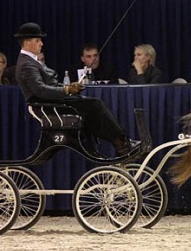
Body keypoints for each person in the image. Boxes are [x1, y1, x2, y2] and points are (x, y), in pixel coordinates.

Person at [13, 22, 142, 156]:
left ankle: (120, 141)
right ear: (27, 43)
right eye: (38, 40)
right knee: (95, 104)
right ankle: (121, 143)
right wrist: (67, 90)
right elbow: (40, 90)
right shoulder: (27, 64)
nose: (41, 43)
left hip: (52, 101)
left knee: (93, 106)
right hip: (46, 104)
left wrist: (68, 87)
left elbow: (48, 87)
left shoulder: (30, 61)